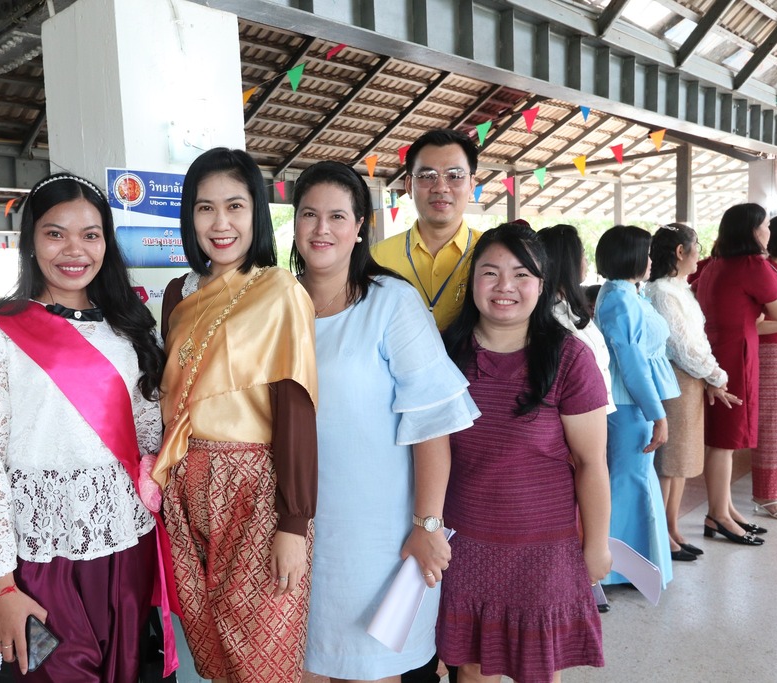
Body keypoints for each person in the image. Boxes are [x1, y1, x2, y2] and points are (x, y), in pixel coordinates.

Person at [0, 172, 168, 680]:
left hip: (127, 545)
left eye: (90, 234)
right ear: (31, 241)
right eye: (55, 233)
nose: (74, 250)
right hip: (37, 555)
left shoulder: (128, 329)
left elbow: (147, 443)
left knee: (125, 672)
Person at [290, 161, 478, 682]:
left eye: (337, 216)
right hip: (295, 526)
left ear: (359, 227)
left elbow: (432, 423)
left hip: (378, 535)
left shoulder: (391, 303)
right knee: (307, 664)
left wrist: (427, 525)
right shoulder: (277, 302)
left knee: (369, 668)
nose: (322, 228)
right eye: (309, 214)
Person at [149, 147, 317, 683]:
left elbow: (296, 409)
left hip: (256, 492)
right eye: (205, 208)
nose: (220, 224)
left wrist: (294, 524)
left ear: (256, 213)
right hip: (184, 490)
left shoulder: (279, 290)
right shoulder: (177, 295)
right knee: (213, 653)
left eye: (235, 206)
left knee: (263, 657)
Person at [437, 222, 611, 683]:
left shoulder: (569, 359)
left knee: (538, 670)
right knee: (470, 670)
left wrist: (596, 544)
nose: (505, 287)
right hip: (464, 544)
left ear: (542, 284)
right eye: (490, 273)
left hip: (543, 549)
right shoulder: (444, 353)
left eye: (521, 275)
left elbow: (591, 463)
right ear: (472, 280)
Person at [646, 224, 740, 560]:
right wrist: (716, 374)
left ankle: (672, 528)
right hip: (676, 377)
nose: (699, 253)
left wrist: (712, 375)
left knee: (681, 460)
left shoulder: (679, 288)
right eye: (696, 246)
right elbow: (681, 345)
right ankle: (661, 534)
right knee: (670, 461)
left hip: (691, 378)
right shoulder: (661, 291)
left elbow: (697, 340)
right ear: (680, 252)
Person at [594, 225, 680, 585]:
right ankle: (613, 571)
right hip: (629, 404)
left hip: (633, 402)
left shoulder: (626, 292)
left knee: (634, 481)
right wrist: (656, 413)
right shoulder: (619, 297)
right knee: (628, 483)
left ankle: (631, 568)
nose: (650, 260)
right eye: (645, 254)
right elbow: (631, 362)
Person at [694, 203, 777, 544]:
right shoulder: (752, 265)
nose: (769, 232)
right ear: (753, 231)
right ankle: (718, 515)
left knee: (722, 439)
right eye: (765, 226)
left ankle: (726, 510)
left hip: (719, 353)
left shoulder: (716, 264)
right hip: (737, 357)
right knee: (725, 442)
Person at [371, 129, 483, 331]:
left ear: (472, 185)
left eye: (455, 176)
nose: (440, 187)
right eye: (426, 176)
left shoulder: (490, 253)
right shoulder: (375, 259)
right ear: (408, 185)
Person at [536, 224, 615, 414]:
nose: (586, 261)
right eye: (583, 255)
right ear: (568, 262)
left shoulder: (571, 308)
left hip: (594, 411)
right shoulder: (551, 316)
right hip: (576, 415)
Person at [752, 216, 777, 519]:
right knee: (772, 424)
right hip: (771, 353)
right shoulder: (765, 271)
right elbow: (754, 325)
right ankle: (766, 494)